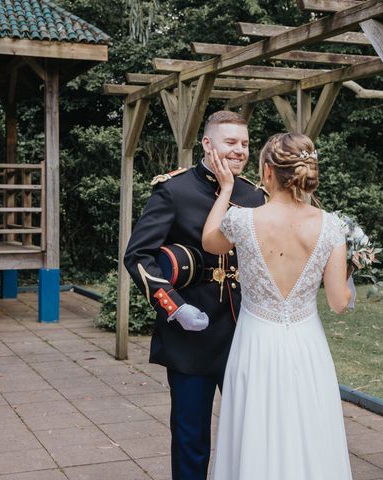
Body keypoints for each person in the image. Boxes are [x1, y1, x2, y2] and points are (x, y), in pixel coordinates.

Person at [202, 132, 354, 480]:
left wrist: (226, 189)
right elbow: (337, 302)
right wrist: (349, 274)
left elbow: (209, 241)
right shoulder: (331, 227)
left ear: (267, 172)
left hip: (256, 342)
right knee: (309, 430)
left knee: (255, 426)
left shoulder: (243, 220)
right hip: (307, 345)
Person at [123, 111, 266, 480]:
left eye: (245, 144)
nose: (239, 150)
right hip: (191, 335)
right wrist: (175, 307)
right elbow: (138, 256)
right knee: (191, 438)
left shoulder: (256, 195)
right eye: (230, 142)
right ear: (207, 143)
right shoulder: (174, 190)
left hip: (245, 334)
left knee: (250, 436)